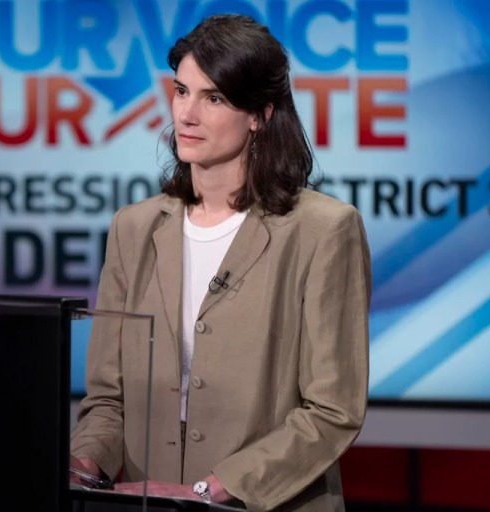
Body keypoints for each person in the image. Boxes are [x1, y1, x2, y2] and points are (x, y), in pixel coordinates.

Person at [70, 14, 371, 512]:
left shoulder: (323, 230)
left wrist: (208, 492)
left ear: (260, 114)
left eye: (213, 98)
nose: (186, 114)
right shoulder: (133, 228)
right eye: (181, 91)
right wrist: (84, 464)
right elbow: (108, 400)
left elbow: (332, 411)